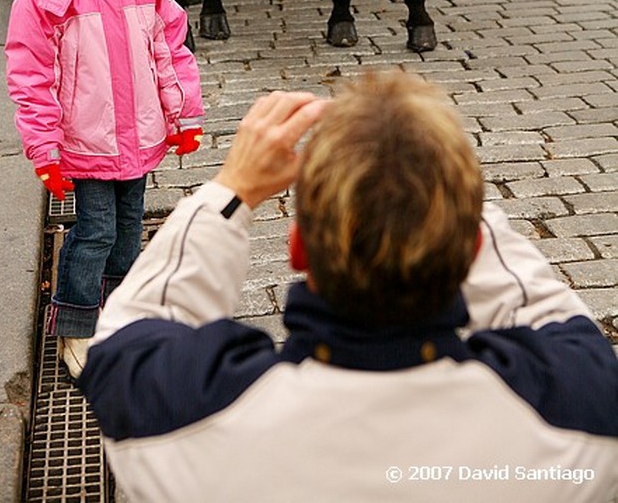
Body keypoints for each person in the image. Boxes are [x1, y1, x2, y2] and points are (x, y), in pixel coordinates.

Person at [79, 70, 618, 503]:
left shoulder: (172, 411)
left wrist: (233, 188)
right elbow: (544, 311)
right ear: (472, 251)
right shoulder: (581, 412)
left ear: (296, 250)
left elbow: (136, 322)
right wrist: (441, 185)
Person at [5, 0, 204, 380]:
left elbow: (171, 52)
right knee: (94, 231)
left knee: (128, 227)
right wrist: (43, 149)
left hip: (138, 136)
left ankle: (120, 309)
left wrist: (182, 116)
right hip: (87, 141)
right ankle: (76, 323)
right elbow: (30, 74)